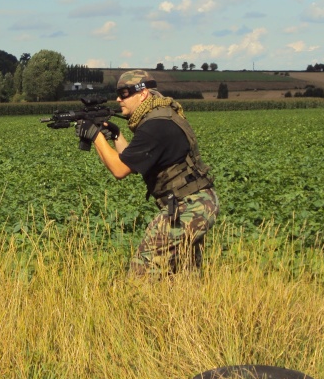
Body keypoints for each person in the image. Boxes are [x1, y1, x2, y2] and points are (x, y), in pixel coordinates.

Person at [75, 70, 219, 277]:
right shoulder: (161, 116)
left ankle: (138, 304)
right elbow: (132, 162)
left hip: (188, 207)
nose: (118, 99)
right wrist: (115, 135)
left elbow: (119, 169)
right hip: (197, 201)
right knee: (183, 276)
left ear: (142, 94)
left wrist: (95, 135)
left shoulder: (155, 126)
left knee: (142, 272)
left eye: (124, 94)